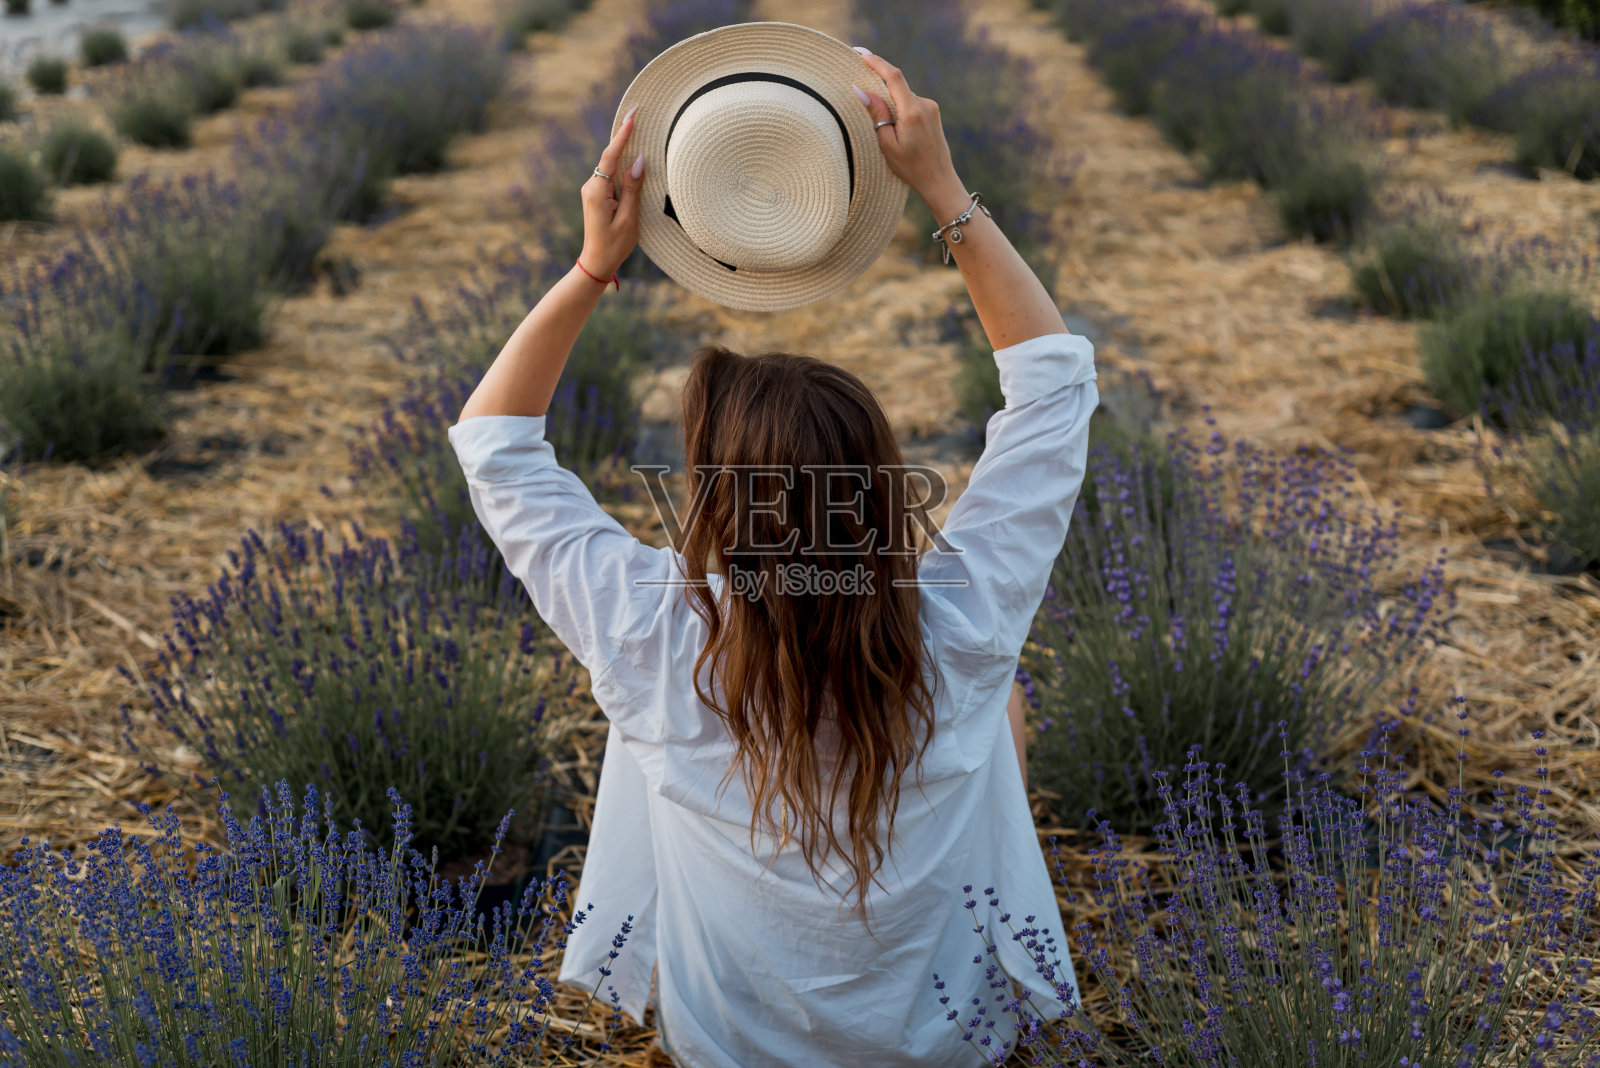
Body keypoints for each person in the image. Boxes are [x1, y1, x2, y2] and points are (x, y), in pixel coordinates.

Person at [450, 45, 1097, 1068]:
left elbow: (494, 446)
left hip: (726, 1049)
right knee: (996, 687)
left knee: (638, 713)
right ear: (877, 493)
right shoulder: (958, 623)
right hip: (949, 1045)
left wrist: (590, 270)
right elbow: (1054, 394)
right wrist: (944, 192)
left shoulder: (652, 629)